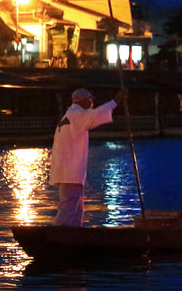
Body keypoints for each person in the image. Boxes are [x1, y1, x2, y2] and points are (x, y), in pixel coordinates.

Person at [49, 87, 127, 226]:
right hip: (71, 172)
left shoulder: (68, 116)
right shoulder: (77, 115)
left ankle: (73, 236)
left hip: (65, 171)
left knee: (76, 208)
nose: (92, 103)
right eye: (90, 100)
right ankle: (58, 234)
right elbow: (96, 115)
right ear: (84, 101)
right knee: (68, 208)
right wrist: (116, 101)